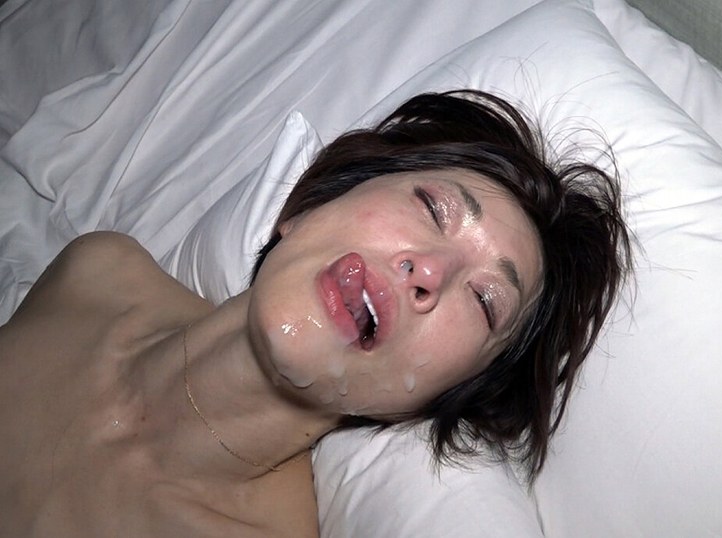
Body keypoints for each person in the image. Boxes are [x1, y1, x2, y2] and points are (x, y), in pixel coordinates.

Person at [0, 90, 631, 537]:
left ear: (441, 398)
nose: (430, 270)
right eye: (433, 208)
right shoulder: (97, 269)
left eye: (484, 300)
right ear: (307, 205)